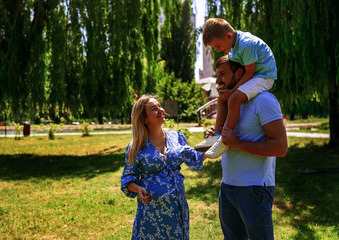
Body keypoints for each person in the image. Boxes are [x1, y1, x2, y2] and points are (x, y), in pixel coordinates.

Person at [207, 55, 287, 239]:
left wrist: (238, 143)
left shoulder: (264, 100)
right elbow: (226, 139)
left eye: (222, 74)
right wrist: (216, 137)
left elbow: (281, 147)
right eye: (216, 75)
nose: (218, 80)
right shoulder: (228, 102)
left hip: (255, 189)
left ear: (240, 73)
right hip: (227, 187)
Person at [121, 94, 205, 240]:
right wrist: (138, 189)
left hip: (177, 209)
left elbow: (195, 158)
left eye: (160, 106)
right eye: (154, 109)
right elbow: (127, 180)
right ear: (144, 119)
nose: (161, 110)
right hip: (151, 214)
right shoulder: (136, 147)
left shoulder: (177, 137)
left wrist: (211, 140)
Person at [195, 18, 277, 159]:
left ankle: (225, 139)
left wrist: (233, 91)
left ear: (228, 36)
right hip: (254, 75)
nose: (218, 50)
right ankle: (216, 134)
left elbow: (250, 72)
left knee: (234, 98)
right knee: (223, 97)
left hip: (263, 76)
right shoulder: (234, 46)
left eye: (218, 46)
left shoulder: (246, 45)